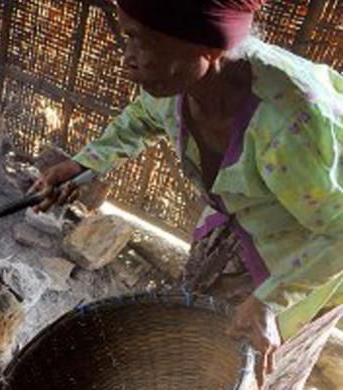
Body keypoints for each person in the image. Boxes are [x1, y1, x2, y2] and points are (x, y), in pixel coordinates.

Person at [31, 0, 343, 388]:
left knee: (254, 366)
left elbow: (338, 234)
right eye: (128, 36)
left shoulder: (292, 124)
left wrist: (268, 302)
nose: (127, 58)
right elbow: (143, 117)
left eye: (141, 42)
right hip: (244, 223)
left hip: (309, 259)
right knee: (196, 336)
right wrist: (84, 165)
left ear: (208, 49)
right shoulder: (182, 83)